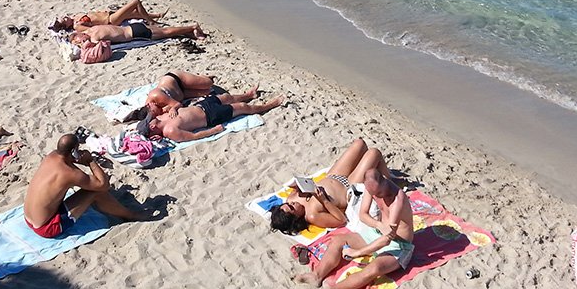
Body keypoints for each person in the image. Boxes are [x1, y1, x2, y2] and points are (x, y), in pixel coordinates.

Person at [294, 168, 415, 289]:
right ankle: (316, 275)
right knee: (338, 241)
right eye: (374, 194)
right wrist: (378, 225)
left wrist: (357, 252)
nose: (377, 196)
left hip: (398, 245)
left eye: (379, 193)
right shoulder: (372, 187)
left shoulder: (397, 200)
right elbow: (363, 215)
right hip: (378, 232)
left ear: (383, 181)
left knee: (374, 268)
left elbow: (387, 239)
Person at [23, 133, 147, 239]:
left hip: (28, 219)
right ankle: (130, 215)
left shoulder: (51, 156)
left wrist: (76, 157)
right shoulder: (70, 173)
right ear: (73, 151)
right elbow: (103, 185)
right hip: (47, 227)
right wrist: (90, 161)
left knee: (87, 187)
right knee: (95, 192)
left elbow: (69, 163)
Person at [268, 139, 395, 235]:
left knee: (359, 144)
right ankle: (389, 180)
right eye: (292, 208)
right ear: (296, 218)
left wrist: (298, 186)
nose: (292, 203)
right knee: (374, 153)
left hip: (333, 176)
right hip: (349, 187)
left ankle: (382, 175)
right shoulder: (313, 216)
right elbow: (341, 220)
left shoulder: (291, 199)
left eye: (287, 204)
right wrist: (324, 200)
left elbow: (295, 189)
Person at [146, 93, 283, 142]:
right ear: (152, 127)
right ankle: (270, 105)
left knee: (226, 97)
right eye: (148, 121)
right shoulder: (170, 131)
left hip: (201, 105)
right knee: (242, 107)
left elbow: (177, 104)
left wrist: (174, 108)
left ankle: (249, 95)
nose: (150, 118)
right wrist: (214, 130)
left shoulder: (161, 117)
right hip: (210, 116)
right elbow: (193, 136)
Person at [48, 0, 169, 33]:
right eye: (63, 20)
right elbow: (93, 30)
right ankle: (151, 21)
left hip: (109, 14)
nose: (64, 17)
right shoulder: (77, 26)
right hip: (110, 20)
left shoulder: (74, 17)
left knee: (134, 14)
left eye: (61, 18)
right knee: (135, 2)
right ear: (66, 25)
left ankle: (157, 15)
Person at [68, 21, 205, 47]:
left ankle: (192, 27)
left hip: (135, 33)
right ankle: (190, 33)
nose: (82, 42)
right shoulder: (89, 30)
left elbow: (96, 47)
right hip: (132, 27)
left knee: (166, 33)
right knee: (164, 31)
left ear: (79, 35)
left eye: (79, 40)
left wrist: (83, 45)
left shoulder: (93, 37)